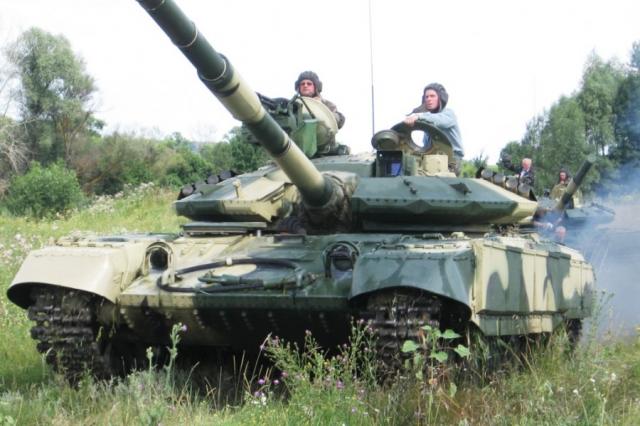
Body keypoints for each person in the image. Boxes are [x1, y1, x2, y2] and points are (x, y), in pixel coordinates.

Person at [403, 83, 464, 168]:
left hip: (451, 161)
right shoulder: (426, 121)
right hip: (431, 160)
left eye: (432, 96)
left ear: (440, 98)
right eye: (426, 97)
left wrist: (418, 116)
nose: (429, 99)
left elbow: (439, 120)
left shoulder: (448, 114)